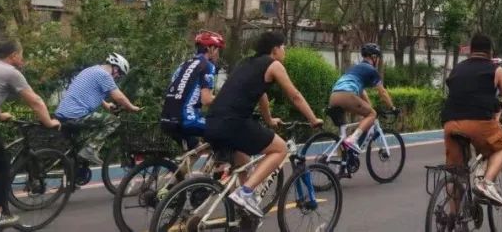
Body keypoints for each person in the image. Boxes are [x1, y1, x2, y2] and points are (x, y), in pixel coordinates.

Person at [205, 32, 322, 218]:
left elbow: (262, 95)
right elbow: (295, 96)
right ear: (275, 50)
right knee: (281, 149)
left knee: (244, 162)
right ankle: (245, 193)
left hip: (212, 121)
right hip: (233, 122)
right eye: (283, 48)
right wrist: (313, 119)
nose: (285, 52)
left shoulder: (246, 63)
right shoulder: (273, 65)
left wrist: (269, 120)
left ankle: (241, 214)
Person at [0, 40, 60, 230]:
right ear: (13, 56)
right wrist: (49, 122)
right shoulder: (10, 72)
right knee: (1, 167)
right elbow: (35, 101)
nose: (22, 59)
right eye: (22, 55)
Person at [441, 34, 502, 206]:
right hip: (479, 122)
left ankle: (452, 216)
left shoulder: (457, 69)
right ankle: (486, 183)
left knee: (457, 174)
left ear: (471, 50)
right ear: (490, 52)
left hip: (450, 123)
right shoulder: (496, 70)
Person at [54, 53, 141, 164]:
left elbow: (92, 92)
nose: (118, 76)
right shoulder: (104, 75)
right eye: (120, 73)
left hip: (63, 113)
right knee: (113, 121)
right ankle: (90, 149)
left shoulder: (91, 70)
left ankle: (75, 167)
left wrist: (106, 105)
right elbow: (119, 97)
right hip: (77, 115)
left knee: (79, 146)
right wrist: (131, 107)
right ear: (115, 67)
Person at [161, 31, 224, 150]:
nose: (218, 55)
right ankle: (224, 161)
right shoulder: (207, 66)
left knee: (197, 149)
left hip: (167, 120)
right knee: (227, 130)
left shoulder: (183, 65)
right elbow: (206, 100)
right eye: (218, 50)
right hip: (187, 120)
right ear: (210, 49)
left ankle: (183, 164)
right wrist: (227, 100)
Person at [329, 43, 396, 154]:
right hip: (347, 95)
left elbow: (362, 92)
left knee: (343, 134)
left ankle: (342, 161)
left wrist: (369, 107)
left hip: (334, 96)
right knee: (372, 114)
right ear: (374, 57)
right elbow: (383, 93)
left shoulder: (354, 68)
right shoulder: (371, 70)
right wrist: (392, 107)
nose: (378, 60)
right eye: (378, 57)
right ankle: (353, 139)